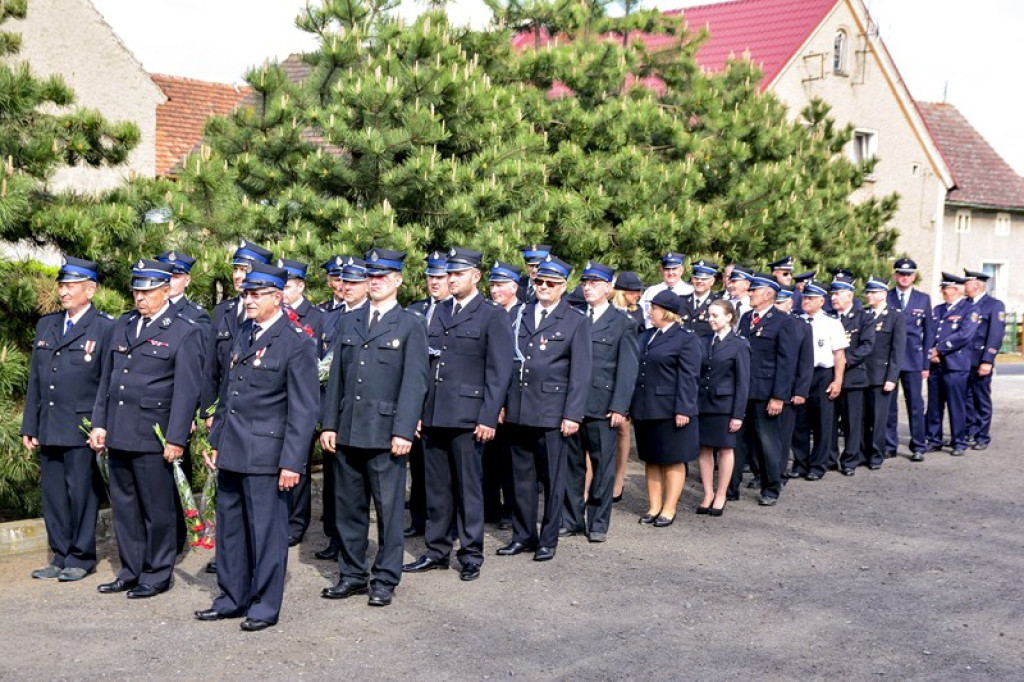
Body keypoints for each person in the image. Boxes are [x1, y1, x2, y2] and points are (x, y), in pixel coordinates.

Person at [194, 262, 319, 631]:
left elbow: (303, 409)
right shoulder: (243, 332)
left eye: (256, 294)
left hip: (267, 455)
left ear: (277, 297)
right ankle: (232, 597)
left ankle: (265, 604)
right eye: (246, 293)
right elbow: (228, 394)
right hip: (233, 448)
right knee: (231, 531)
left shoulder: (295, 341)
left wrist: (292, 463)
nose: (247, 300)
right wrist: (216, 442)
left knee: (266, 534)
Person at [319, 247, 428, 607]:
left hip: (385, 435)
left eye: (383, 277)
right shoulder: (350, 320)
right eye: (372, 276)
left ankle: (384, 578)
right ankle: (351, 574)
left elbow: (415, 381)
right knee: (348, 510)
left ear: (397, 280)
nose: (376, 282)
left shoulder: (410, 324)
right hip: (349, 430)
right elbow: (337, 377)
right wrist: (329, 423)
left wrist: (403, 429)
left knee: (388, 512)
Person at [88, 259, 203, 598]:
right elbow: (107, 381)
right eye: (137, 289)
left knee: (156, 509)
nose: (140, 297)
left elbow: (186, 391)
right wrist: (99, 423)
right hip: (121, 431)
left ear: (166, 291)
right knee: (125, 508)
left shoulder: (184, 330)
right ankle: (131, 569)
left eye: (148, 290)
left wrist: (176, 437)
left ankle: (156, 572)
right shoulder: (123, 325)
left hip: (154, 435)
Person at [403, 247, 514, 582]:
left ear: (475, 276)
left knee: (468, 489)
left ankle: (470, 554)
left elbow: (499, 370)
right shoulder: (439, 312)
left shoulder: (492, 314)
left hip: (468, 416)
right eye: (448, 274)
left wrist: (488, 416)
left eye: (458, 274)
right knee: (436, 489)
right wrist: (419, 411)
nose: (450, 280)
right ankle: (436, 550)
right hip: (435, 413)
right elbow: (426, 365)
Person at [22, 256, 114, 582]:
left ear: (89, 290)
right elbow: (36, 378)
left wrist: (101, 424)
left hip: (81, 426)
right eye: (61, 285)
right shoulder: (46, 325)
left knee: (82, 494)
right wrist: (29, 425)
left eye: (71, 286)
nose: (63, 292)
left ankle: (81, 555)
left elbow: (107, 383)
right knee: (55, 496)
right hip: (49, 424)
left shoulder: (104, 327)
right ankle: (59, 554)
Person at [500, 255, 591, 562]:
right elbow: (506, 364)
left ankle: (547, 539)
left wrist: (572, 414)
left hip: (552, 410)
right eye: (539, 282)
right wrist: (502, 403)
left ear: (564, 287)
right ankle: (523, 535)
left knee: (552, 479)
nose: (544, 287)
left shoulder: (575, 320)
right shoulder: (522, 313)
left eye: (551, 284)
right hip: (519, 407)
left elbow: (581, 372)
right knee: (520, 477)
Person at [199, 240, 272, 575]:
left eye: (247, 270)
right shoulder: (224, 312)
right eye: (237, 269)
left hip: (258, 427)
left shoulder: (281, 325)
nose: (240, 276)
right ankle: (228, 559)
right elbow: (214, 371)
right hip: (226, 417)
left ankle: (253, 561)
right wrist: (208, 411)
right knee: (225, 498)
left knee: (254, 504)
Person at [561, 262, 638, 542]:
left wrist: (619, 406)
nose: (588, 287)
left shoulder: (622, 323)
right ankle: (571, 519)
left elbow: (627, 369)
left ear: (608, 287)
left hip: (602, 405)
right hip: (572, 405)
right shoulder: (573, 317)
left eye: (594, 283)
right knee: (571, 467)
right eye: (585, 282)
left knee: (602, 467)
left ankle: (598, 522)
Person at [313, 256, 368, 562]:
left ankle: (355, 543)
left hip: (359, 409)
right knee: (334, 479)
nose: (345, 287)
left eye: (352, 282)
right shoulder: (329, 316)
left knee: (357, 483)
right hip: (330, 407)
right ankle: (334, 537)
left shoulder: (371, 317)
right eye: (342, 281)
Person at [631, 290, 701, 526]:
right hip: (645, 406)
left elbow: (689, 377)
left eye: (654, 308)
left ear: (667, 312)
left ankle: (669, 508)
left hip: (670, 408)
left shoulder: (685, 338)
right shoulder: (646, 336)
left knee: (672, 459)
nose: (650, 312)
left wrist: (684, 409)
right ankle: (653, 506)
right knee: (651, 458)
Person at [729, 273, 796, 506]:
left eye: (754, 291)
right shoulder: (747, 318)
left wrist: (778, 396)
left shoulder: (783, 321)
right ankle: (731, 487)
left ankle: (771, 487)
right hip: (743, 389)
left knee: (768, 443)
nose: (750, 294)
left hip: (766, 391)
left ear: (769, 294)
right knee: (736, 441)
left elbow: (786, 362)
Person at [276, 258, 324, 546]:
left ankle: (297, 521)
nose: (283, 292)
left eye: (289, 286)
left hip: (302, 400)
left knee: (300, 464)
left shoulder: (314, 316)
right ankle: (280, 518)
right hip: (276, 403)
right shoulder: (276, 314)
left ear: (301, 286)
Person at [403, 250, 452, 538]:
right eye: (430, 276)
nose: (434, 281)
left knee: (442, 472)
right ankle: (418, 518)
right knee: (419, 466)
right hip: (417, 397)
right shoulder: (417, 310)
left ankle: (442, 523)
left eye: (441, 276)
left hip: (442, 398)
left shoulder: (451, 311)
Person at [787, 280, 847, 480]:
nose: (806, 301)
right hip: (801, 375)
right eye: (804, 297)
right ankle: (800, 462)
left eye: (811, 298)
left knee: (822, 422)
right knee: (799, 422)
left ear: (822, 301)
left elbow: (839, 355)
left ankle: (818, 464)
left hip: (822, 375)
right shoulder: (795, 320)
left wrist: (837, 381)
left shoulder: (831, 323)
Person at [696, 299, 749, 517]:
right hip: (703, 403)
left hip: (725, 405)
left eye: (715, 315)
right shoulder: (704, 341)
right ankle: (708, 493)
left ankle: (721, 494)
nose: (711, 319)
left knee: (725, 449)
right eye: (709, 315)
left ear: (729, 317)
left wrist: (738, 414)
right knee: (705, 448)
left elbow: (743, 382)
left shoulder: (739, 344)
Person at [483, 260, 524, 529]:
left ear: (514, 287)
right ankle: (490, 509)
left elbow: (515, 362)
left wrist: (504, 402)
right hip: (486, 395)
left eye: (500, 285)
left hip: (513, 397)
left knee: (511, 461)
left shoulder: (524, 313)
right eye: (492, 285)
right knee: (488, 459)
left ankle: (511, 510)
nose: (495, 290)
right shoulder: (487, 313)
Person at [925, 273, 979, 457]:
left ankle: (959, 441)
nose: (942, 292)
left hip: (955, 365)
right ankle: (934, 439)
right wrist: (930, 352)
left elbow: (964, 335)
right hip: (936, 365)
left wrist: (938, 349)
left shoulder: (969, 309)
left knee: (956, 405)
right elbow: (930, 332)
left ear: (956, 289)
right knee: (934, 405)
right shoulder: (938, 309)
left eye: (945, 289)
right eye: (942, 289)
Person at [886, 257, 933, 461]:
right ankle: (889, 445)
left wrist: (926, 364)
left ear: (914, 276)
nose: (905, 277)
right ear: (895, 275)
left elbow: (928, 333)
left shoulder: (923, 299)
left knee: (915, 404)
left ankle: (918, 445)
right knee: (889, 405)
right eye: (901, 273)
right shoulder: (886, 297)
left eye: (909, 274)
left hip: (913, 360)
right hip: (890, 360)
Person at [858, 276, 906, 470]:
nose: (869, 295)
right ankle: (862, 452)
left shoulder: (895, 316)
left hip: (881, 375)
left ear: (884, 294)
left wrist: (892, 377)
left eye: (873, 292)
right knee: (861, 418)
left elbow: (897, 350)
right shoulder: (863, 314)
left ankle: (876, 454)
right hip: (862, 374)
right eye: (868, 292)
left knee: (878, 419)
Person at [830, 273, 876, 476]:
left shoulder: (863, 317)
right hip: (829, 377)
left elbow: (867, 346)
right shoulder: (829, 318)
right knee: (829, 422)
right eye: (832, 294)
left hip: (853, 377)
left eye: (838, 294)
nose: (833, 298)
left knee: (852, 422)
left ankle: (850, 460)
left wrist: (844, 361)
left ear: (849, 295)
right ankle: (829, 458)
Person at [963, 269, 1006, 450]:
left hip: (980, 360)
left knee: (981, 399)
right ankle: (969, 432)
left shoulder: (994, 305)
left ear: (976, 284)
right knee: (966, 398)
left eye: (966, 283)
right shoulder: (964, 304)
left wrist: (988, 360)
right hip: (963, 360)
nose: (962, 286)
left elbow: (996, 334)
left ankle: (982, 435)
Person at [774, 285, 812, 473]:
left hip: (789, 389)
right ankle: (761, 472)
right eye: (775, 302)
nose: (777, 306)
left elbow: (806, 361)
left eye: (780, 302)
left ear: (790, 303)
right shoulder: (767, 322)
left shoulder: (801, 326)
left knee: (783, 435)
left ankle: (779, 473)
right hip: (767, 387)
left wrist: (800, 391)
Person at [156, 250, 211, 338]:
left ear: (187, 280)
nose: (169, 282)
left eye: (175, 277)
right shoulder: (147, 308)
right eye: (165, 276)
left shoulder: (197, 316)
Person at [639, 252, 694, 327]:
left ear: (681, 270)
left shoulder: (690, 291)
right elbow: (640, 315)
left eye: (674, 269)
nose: (670, 273)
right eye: (667, 269)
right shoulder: (651, 291)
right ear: (661, 270)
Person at [683, 259, 721, 338]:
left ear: (712, 281)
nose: (699, 281)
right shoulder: (681, 301)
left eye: (704, 279)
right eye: (696, 278)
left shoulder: (719, 303)